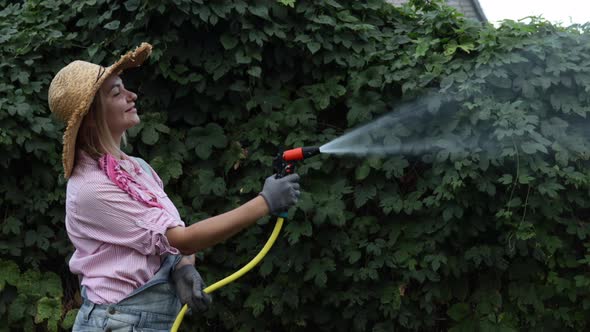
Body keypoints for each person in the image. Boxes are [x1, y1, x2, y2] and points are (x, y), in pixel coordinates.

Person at [48, 42, 301, 331]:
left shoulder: (137, 168)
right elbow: (183, 238)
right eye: (116, 93)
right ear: (92, 119)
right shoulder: (91, 188)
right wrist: (265, 202)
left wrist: (184, 268)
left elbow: (172, 235)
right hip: (117, 322)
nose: (132, 95)